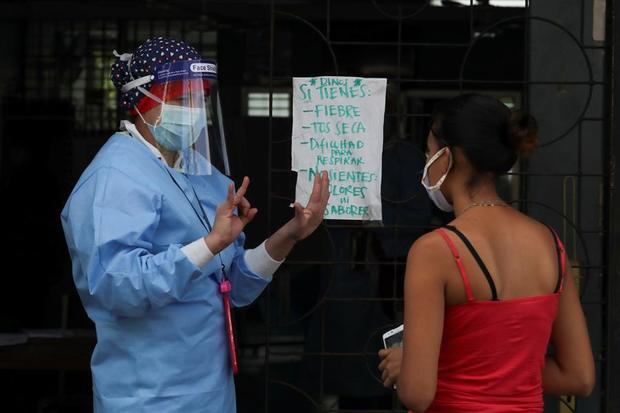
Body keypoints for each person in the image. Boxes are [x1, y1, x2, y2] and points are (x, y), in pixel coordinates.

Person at [61, 37, 329, 412]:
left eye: (201, 97)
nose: (195, 109)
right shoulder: (115, 176)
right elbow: (116, 287)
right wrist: (208, 245)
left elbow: (230, 286)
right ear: (143, 102)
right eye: (181, 98)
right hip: (148, 394)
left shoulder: (200, 173)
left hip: (209, 390)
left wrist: (289, 235)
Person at [377, 94, 595, 412]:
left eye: (429, 152)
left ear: (449, 157)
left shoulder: (435, 251)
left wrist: (412, 364)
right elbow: (579, 376)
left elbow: (417, 394)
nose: (426, 162)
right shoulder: (550, 243)